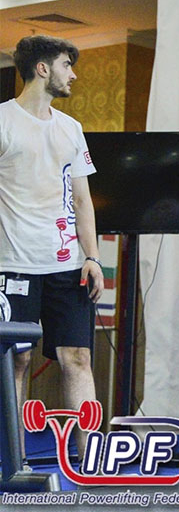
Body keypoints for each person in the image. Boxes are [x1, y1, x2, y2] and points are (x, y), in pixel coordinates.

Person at [1, 35, 103, 464]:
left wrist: (93, 257)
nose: (73, 74)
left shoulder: (71, 128)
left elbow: (82, 199)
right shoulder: (3, 121)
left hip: (66, 267)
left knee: (77, 357)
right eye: (66, 64)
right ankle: (12, 462)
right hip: (13, 266)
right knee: (16, 365)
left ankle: (93, 459)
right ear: (42, 69)